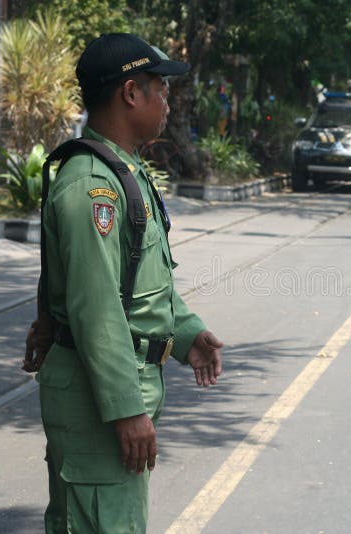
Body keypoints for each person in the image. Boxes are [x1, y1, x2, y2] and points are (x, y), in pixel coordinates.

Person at [30, 33, 223, 532]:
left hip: (124, 386)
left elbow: (141, 281)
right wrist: (124, 410)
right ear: (131, 93)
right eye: (161, 89)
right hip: (101, 398)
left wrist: (185, 334)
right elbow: (96, 308)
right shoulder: (89, 186)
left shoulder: (124, 173)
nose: (166, 101)